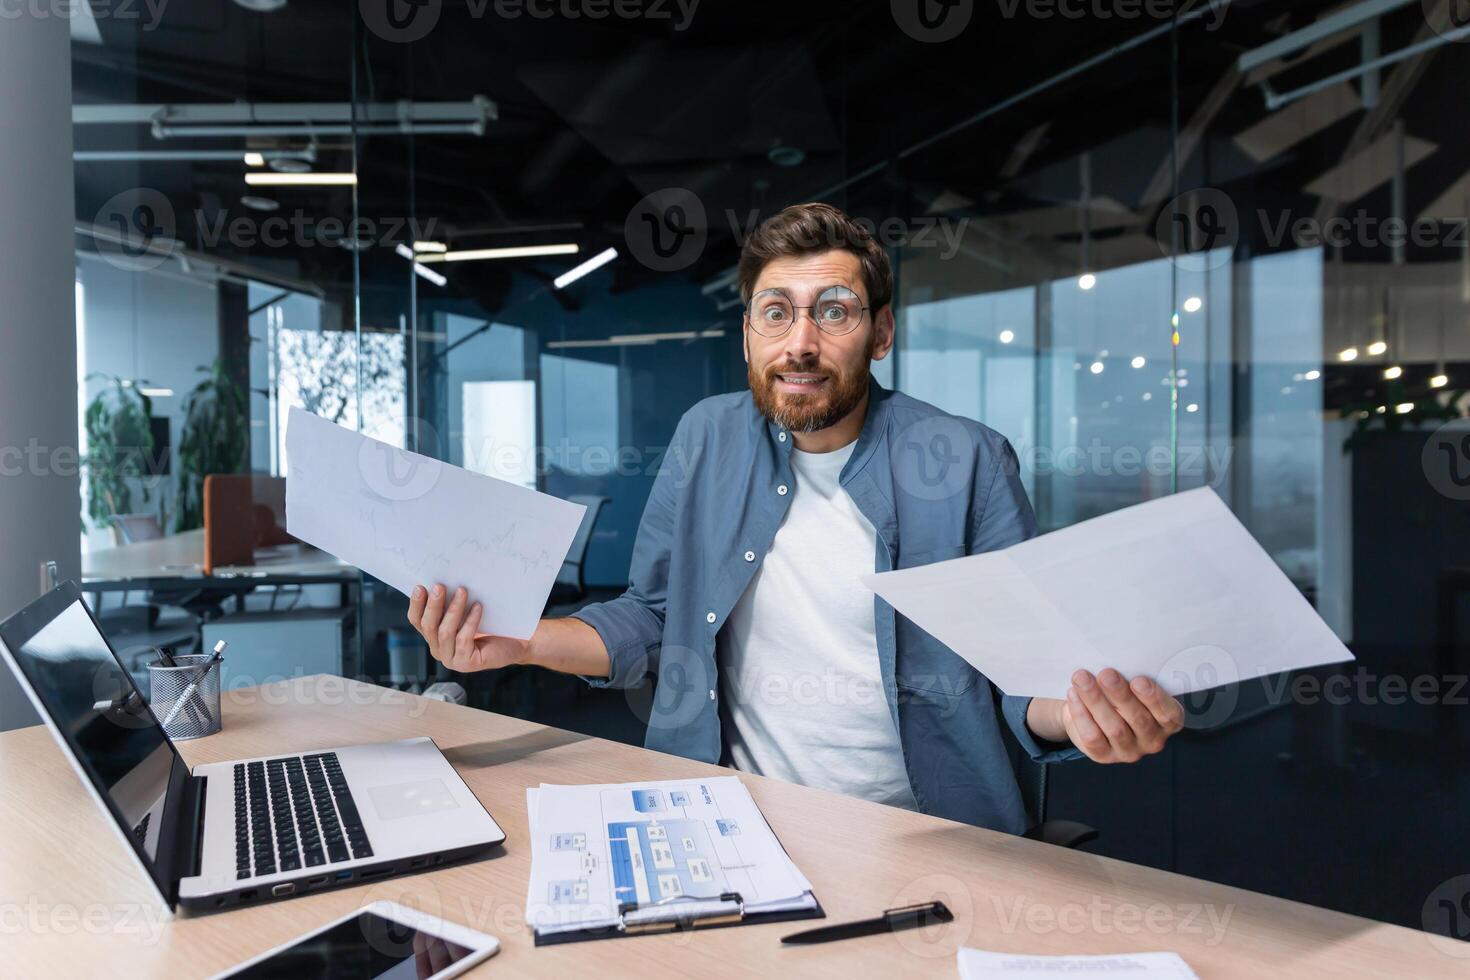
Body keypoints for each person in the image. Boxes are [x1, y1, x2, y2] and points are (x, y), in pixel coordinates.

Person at [406, 202, 1184, 834]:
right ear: (748, 331)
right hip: (725, 821)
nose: (800, 343)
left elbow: (1024, 677)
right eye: (775, 313)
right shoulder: (706, 437)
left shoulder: (968, 459)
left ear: (880, 333)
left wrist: (1080, 716)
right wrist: (518, 642)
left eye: (834, 312)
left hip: (927, 834)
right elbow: (651, 618)